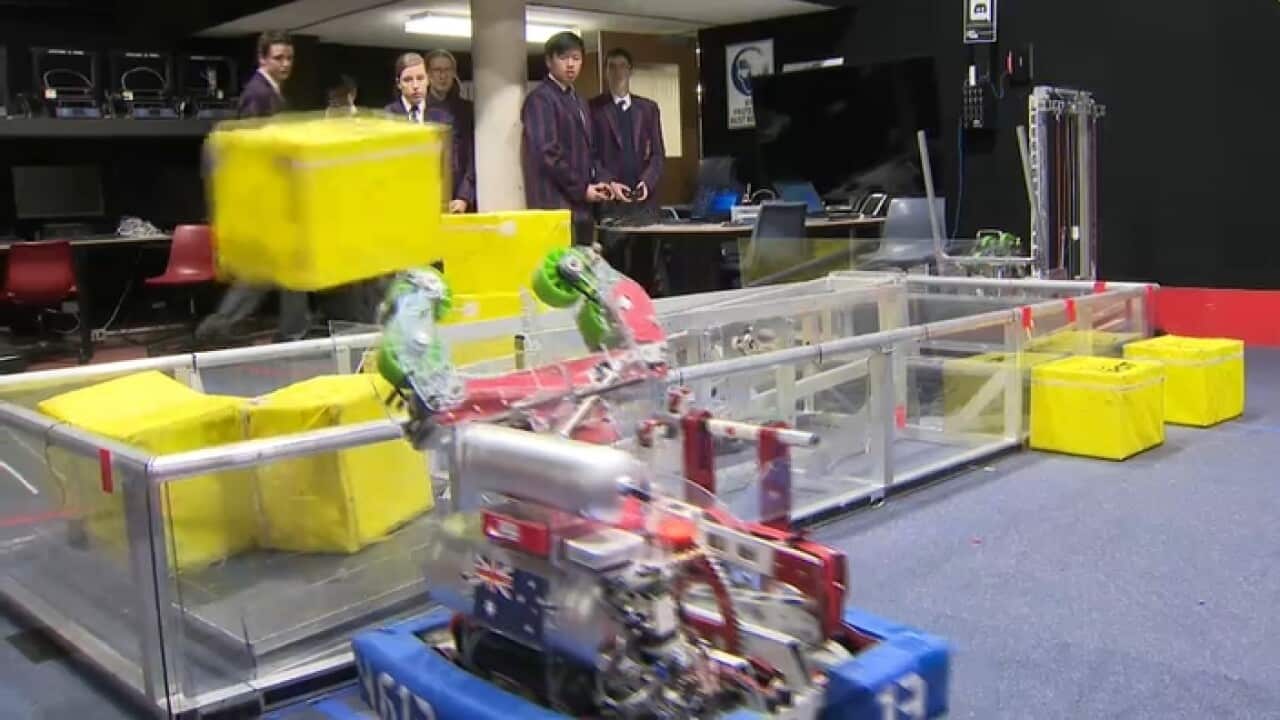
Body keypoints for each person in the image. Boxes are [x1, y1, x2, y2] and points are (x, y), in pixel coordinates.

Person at [197, 31, 314, 344]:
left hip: (269, 198)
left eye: (289, 58)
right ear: (262, 59)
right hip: (264, 199)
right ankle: (223, 326)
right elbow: (249, 150)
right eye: (278, 58)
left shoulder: (269, 92)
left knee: (281, 267)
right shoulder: (258, 93)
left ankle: (291, 330)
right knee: (272, 270)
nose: (285, 64)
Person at [521, 32, 626, 246]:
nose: (571, 65)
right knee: (563, 271)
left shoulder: (578, 100)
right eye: (564, 58)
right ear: (549, 61)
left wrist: (605, 182)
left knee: (584, 270)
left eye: (576, 58)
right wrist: (581, 189)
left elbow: (590, 150)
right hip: (554, 205)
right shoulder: (540, 99)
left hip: (582, 207)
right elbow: (547, 153)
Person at [385, 51, 476, 213]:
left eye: (420, 78)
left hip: (441, 203)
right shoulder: (388, 118)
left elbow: (456, 160)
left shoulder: (443, 116)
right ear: (399, 83)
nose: (415, 85)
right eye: (408, 80)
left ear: (427, 80)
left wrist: (463, 196)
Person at [589, 48, 665, 210]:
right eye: (612, 66)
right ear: (605, 72)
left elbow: (657, 155)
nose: (618, 72)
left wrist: (647, 182)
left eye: (623, 66)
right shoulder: (594, 108)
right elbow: (590, 156)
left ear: (630, 71)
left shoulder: (648, 109)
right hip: (610, 198)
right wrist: (609, 183)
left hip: (643, 198)